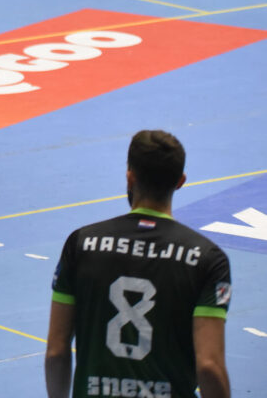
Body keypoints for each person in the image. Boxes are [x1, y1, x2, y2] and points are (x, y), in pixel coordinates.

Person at [45, 130, 232, 398]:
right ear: (180, 182)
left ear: (130, 176)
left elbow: (56, 352)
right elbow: (209, 366)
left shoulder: (81, 244)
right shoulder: (207, 258)